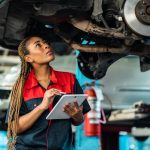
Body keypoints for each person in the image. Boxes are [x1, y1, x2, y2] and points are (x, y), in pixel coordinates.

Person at [5, 36, 91, 150]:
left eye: (45, 43)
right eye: (38, 45)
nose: (46, 46)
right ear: (29, 58)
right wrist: (42, 106)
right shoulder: (21, 87)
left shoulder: (69, 79)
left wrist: (77, 115)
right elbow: (14, 128)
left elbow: (78, 121)